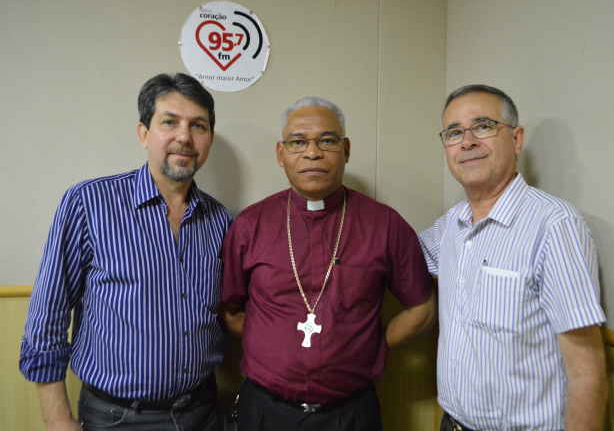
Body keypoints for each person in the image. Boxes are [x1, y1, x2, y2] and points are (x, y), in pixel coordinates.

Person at [20, 73, 232, 431]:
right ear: (144, 134)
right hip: (117, 418)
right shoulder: (89, 203)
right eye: (170, 122)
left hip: (203, 411)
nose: (184, 136)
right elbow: (48, 314)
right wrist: (56, 418)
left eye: (198, 125)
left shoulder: (220, 219)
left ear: (209, 138)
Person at [219, 96, 435, 430]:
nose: (312, 152)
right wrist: (271, 343)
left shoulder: (385, 225)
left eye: (327, 140)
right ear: (281, 154)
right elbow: (230, 312)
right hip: (265, 410)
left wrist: (371, 346)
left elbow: (422, 309)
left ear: (346, 150)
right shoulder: (250, 225)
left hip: (350, 412)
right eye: (298, 142)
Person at [419, 84, 608, 431]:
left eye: (484, 126)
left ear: (517, 139)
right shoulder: (450, 225)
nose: (468, 141)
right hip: (451, 424)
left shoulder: (554, 226)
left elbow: (587, 371)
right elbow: (391, 255)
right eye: (454, 132)